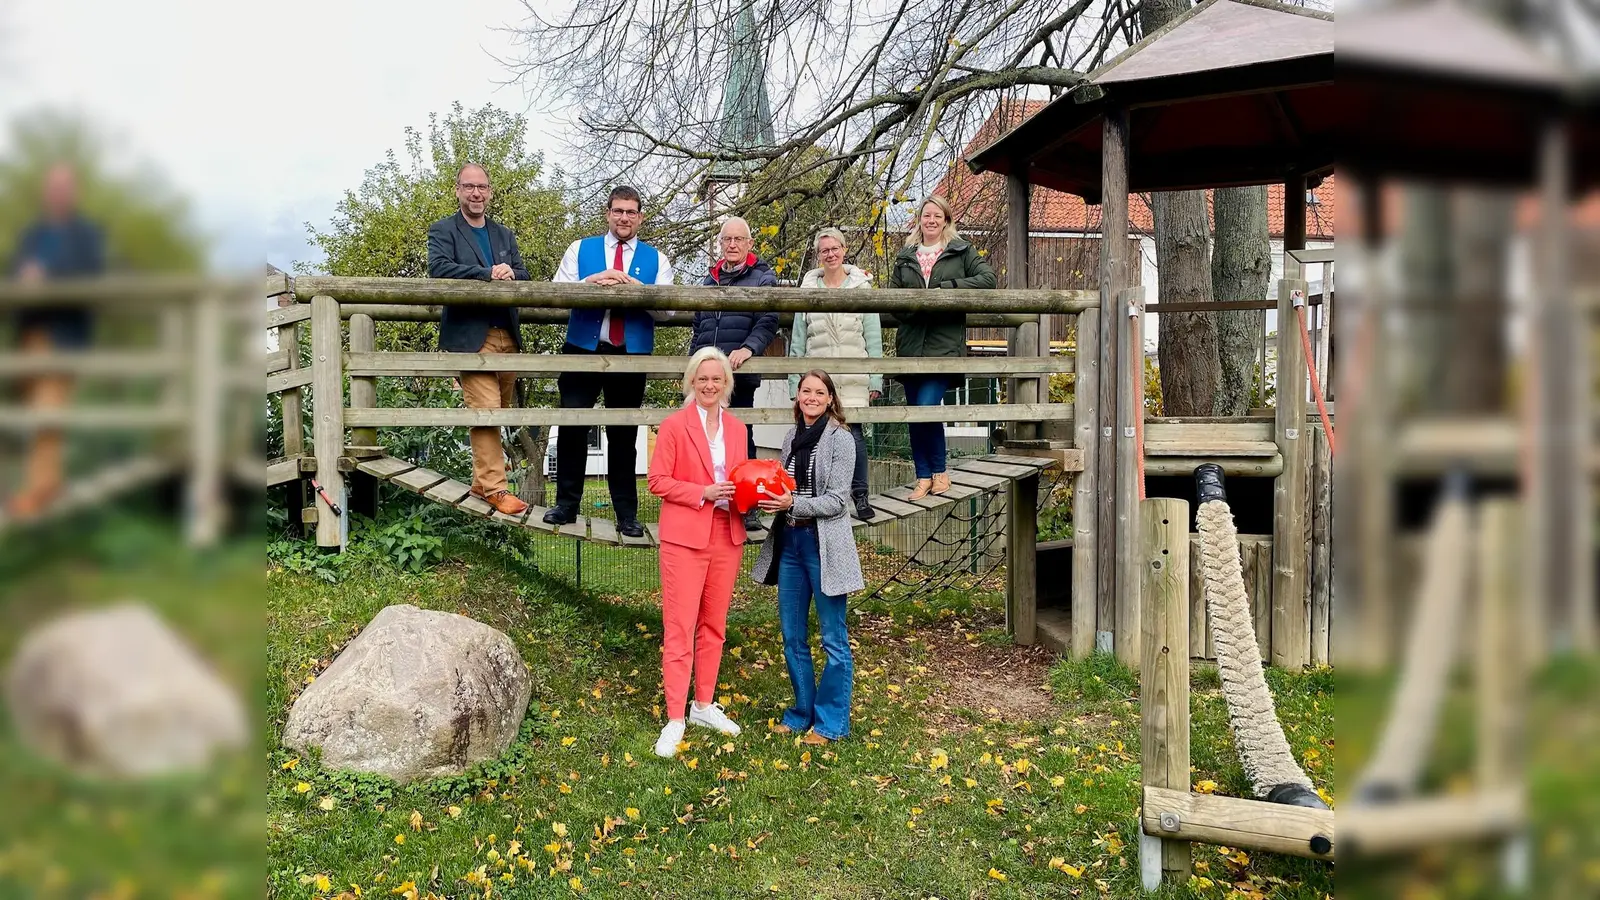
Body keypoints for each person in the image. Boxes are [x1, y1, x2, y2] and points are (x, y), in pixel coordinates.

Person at [544, 186, 676, 539]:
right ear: (607, 213)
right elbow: (556, 294)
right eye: (618, 211)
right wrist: (592, 282)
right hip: (582, 349)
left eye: (631, 212)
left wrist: (636, 288)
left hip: (630, 353)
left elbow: (667, 310)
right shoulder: (580, 248)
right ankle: (566, 506)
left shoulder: (656, 258)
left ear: (640, 217)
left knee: (624, 433)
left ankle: (627, 515)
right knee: (572, 427)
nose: (624, 218)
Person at [751, 370, 865, 745]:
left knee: (833, 638)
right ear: (797, 397)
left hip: (824, 546)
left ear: (831, 398)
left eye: (820, 392)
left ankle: (831, 723)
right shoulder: (790, 437)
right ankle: (802, 713)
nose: (812, 397)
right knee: (792, 636)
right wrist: (769, 499)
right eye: (806, 391)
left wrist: (792, 503)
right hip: (791, 545)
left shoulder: (841, 438)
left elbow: (837, 500)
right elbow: (785, 487)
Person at [646, 347, 749, 757]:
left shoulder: (739, 429)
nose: (709, 385)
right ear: (691, 382)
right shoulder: (673, 426)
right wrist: (701, 493)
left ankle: (703, 704)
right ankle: (675, 717)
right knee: (679, 627)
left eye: (717, 379)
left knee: (714, 626)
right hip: (685, 536)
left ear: (727, 384)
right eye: (702, 378)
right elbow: (657, 480)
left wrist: (755, 493)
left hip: (728, 533)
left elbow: (741, 479)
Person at [427, 162, 531, 516]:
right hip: (471, 337)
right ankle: (497, 490)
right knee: (486, 413)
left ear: (489, 192)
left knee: (496, 412)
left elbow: (525, 273)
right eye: (469, 187)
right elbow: (439, 268)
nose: (476, 194)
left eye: (482, 187)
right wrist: (486, 274)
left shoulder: (504, 234)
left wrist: (510, 273)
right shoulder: (443, 230)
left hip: (507, 336)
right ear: (457, 190)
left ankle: (480, 483)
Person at [6, 163, 105, 518]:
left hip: (62, 337)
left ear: (73, 193)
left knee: (46, 414)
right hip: (29, 335)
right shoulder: (33, 234)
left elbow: (91, 276)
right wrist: (24, 276)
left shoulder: (85, 236)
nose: (58, 193)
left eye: (64, 187)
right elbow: (13, 270)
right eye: (53, 187)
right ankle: (47, 484)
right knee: (38, 414)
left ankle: (37, 494)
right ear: (46, 193)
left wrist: (45, 276)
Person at [888, 195, 995, 500]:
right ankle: (922, 477)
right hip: (910, 345)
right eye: (926, 216)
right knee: (913, 414)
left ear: (946, 220)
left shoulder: (961, 250)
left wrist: (946, 292)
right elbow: (893, 296)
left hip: (943, 346)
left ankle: (940, 472)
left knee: (926, 409)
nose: (931, 220)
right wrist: (914, 306)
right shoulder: (905, 255)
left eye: (937, 216)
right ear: (919, 220)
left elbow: (987, 279)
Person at [693, 216, 779, 532]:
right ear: (720, 243)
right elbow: (699, 325)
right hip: (707, 376)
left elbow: (768, 319)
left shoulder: (763, 277)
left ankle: (749, 505)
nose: (732, 245)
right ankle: (708, 501)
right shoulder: (710, 280)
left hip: (739, 372)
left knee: (741, 438)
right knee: (704, 439)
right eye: (727, 239)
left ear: (749, 244)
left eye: (738, 240)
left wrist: (749, 348)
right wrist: (694, 364)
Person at [794, 228, 883, 521]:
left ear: (844, 250)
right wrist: (796, 380)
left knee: (853, 435)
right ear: (818, 255)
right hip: (819, 377)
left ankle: (860, 495)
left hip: (853, 375)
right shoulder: (807, 290)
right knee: (817, 437)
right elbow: (798, 340)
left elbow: (873, 338)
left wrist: (875, 378)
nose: (830, 254)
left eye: (835, 248)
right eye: (824, 250)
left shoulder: (861, 288)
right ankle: (821, 498)